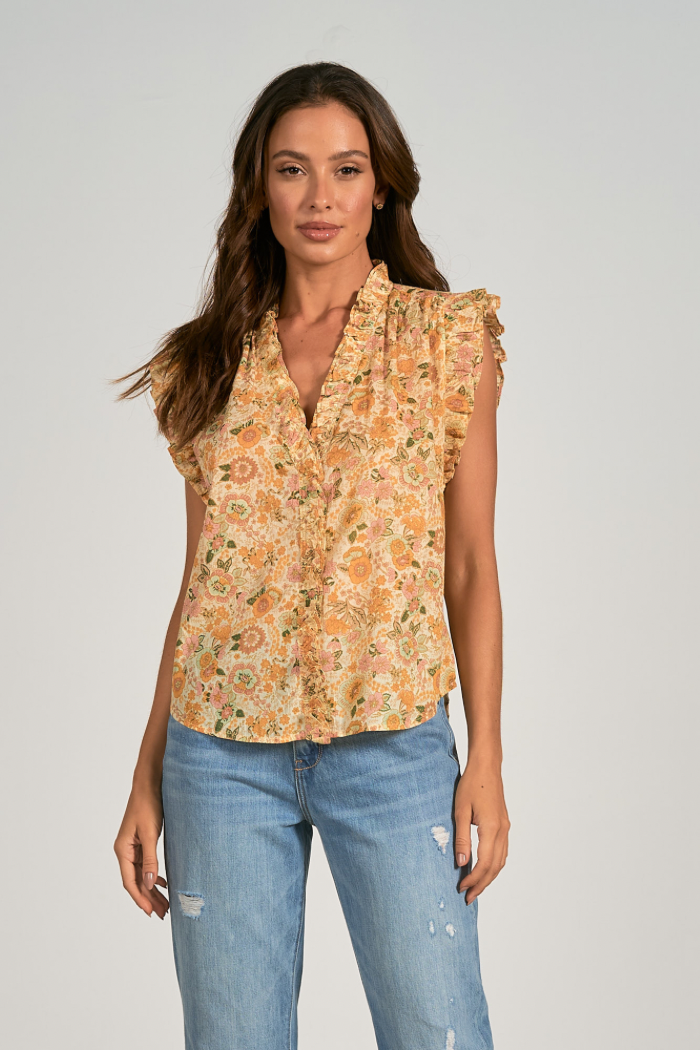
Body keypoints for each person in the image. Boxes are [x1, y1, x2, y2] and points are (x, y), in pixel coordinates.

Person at [113, 61, 510, 1050]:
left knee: (438, 1031)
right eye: (293, 169)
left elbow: (470, 564)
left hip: (393, 746)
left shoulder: (445, 344)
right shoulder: (203, 366)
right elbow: (200, 585)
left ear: (382, 186)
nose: (320, 196)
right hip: (218, 756)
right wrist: (147, 773)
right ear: (260, 187)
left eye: (345, 169)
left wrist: (487, 758)